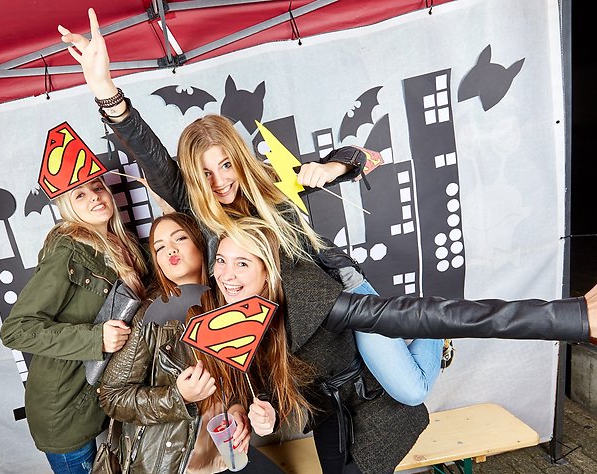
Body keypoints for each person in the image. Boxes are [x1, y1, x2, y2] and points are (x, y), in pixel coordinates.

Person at [59, 8, 449, 406]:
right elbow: (149, 152)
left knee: (410, 390)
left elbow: (369, 157)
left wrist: (332, 167)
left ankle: (434, 325)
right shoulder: (196, 207)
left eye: (226, 165)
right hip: (293, 325)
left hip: (341, 296)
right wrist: (104, 88)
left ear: (238, 159)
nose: (219, 181)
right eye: (206, 173)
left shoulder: (273, 183)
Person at [212, 217, 596, 474]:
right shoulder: (235, 318)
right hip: (332, 412)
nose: (227, 274)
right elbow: (272, 382)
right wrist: (268, 411)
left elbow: (428, 314)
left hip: (379, 407)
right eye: (221, 261)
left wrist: (571, 317)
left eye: (242, 263)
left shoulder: (313, 299)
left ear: (268, 269)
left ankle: (433, 340)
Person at [98, 213, 293, 474]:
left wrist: (237, 408)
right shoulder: (152, 316)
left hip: (215, 442)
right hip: (169, 463)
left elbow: (240, 377)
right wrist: (178, 396)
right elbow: (112, 396)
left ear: (202, 246)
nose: (170, 250)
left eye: (179, 239)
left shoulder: (227, 297)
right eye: (160, 247)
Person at [0, 178, 147, 474]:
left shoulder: (121, 245)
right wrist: (96, 338)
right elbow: (16, 330)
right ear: (66, 207)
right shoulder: (69, 252)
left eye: (97, 187)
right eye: (80, 195)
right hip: (63, 409)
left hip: (101, 402)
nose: (94, 197)